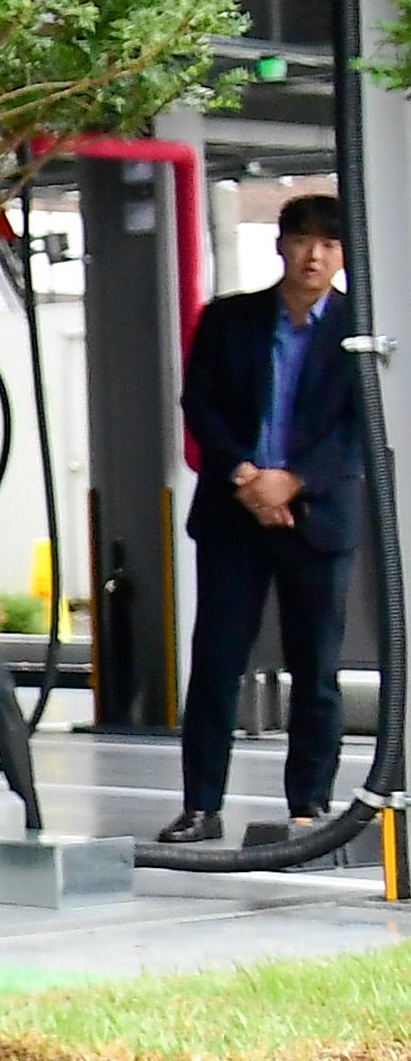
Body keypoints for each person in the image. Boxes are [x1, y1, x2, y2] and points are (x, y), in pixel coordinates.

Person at [165, 191, 370, 845]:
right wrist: (249, 478)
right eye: (303, 239)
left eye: (329, 244)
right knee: (217, 660)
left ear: (343, 254)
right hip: (234, 513)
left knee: (318, 669)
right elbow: (200, 404)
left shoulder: (362, 331)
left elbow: (361, 427)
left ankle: (308, 807)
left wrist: (294, 480)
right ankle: (201, 806)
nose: (315, 255)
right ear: (280, 244)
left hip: (318, 519)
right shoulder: (230, 321)